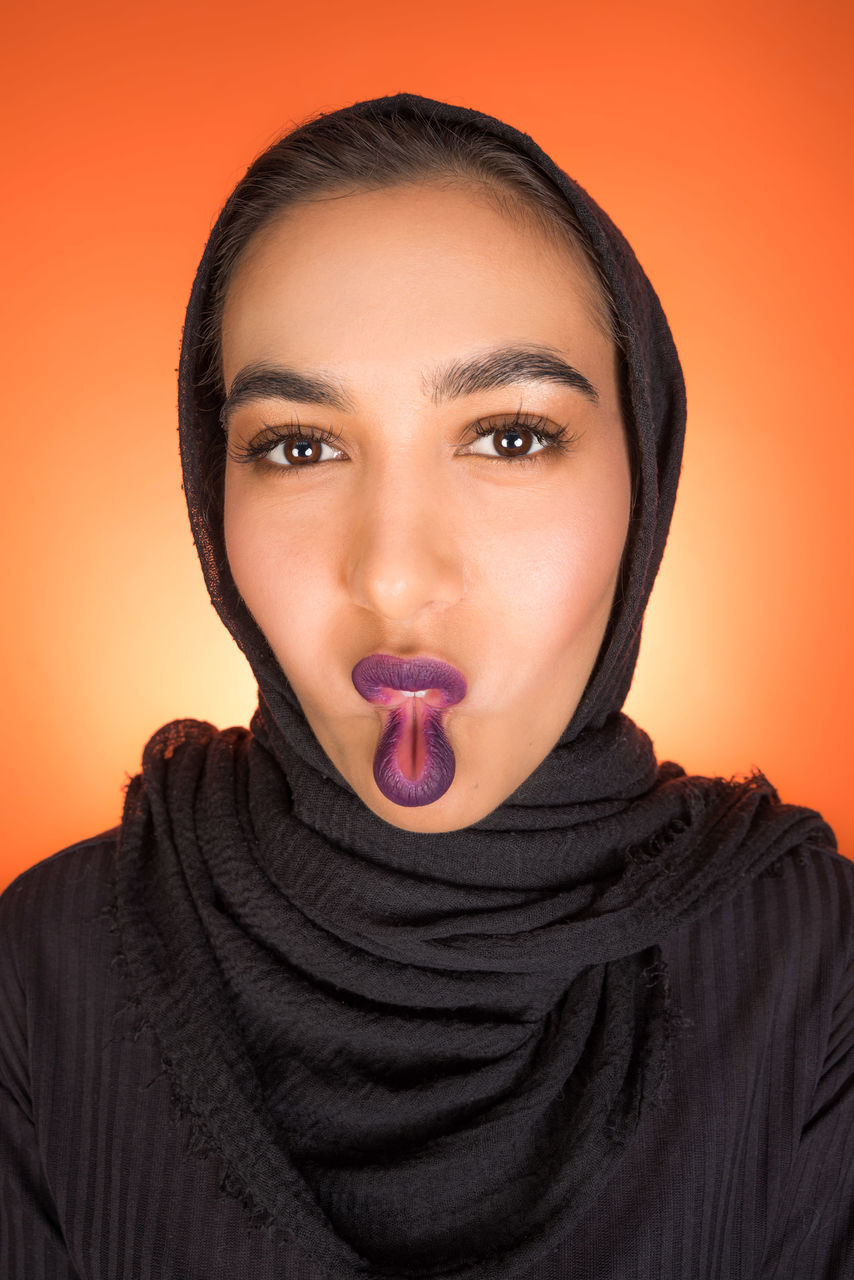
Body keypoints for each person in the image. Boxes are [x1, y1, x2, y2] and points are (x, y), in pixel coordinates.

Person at [0, 91, 850, 1280]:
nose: (393, 573)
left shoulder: (818, 970)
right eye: (297, 445)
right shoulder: (40, 973)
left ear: (642, 465)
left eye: (507, 435)